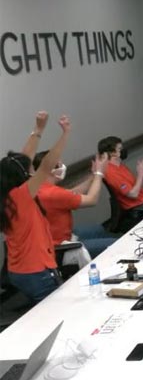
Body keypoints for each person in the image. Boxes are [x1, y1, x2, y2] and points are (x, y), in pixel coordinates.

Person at [0, 111, 70, 302]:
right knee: (55, 314)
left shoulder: (6, 195)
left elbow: (22, 161)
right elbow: (46, 166)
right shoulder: (21, 196)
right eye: (29, 170)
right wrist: (65, 134)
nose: (32, 171)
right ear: (22, 174)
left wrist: (39, 129)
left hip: (18, 270)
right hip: (36, 271)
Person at [32, 150, 117, 258]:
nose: (63, 167)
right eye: (59, 165)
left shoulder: (41, 187)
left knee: (98, 229)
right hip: (60, 248)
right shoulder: (52, 193)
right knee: (116, 243)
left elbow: (72, 193)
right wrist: (99, 174)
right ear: (51, 170)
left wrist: (93, 175)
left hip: (55, 238)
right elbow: (92, 200)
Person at [97, 136, 143, 223]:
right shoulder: (110, 172)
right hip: (139, 208)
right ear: (112, 153)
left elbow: (137, 187)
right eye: (120, 148)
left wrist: (142, 173)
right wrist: (140, 174)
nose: (123, 150)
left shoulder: (120, 166)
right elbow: (133, 194)